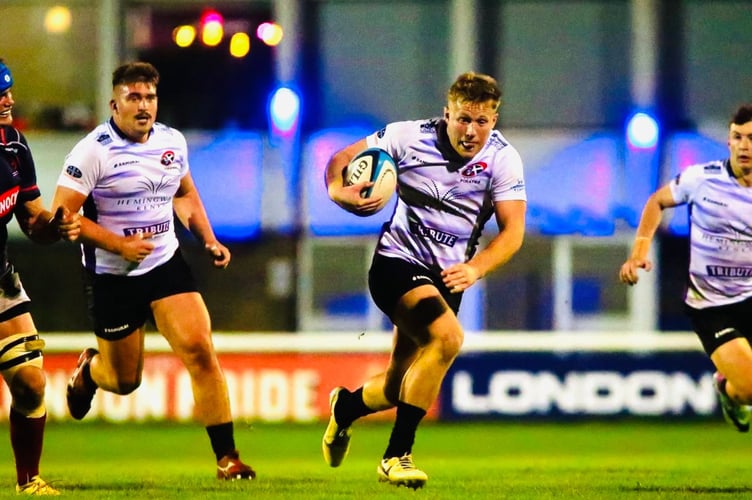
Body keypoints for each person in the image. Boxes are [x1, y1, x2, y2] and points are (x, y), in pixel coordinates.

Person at [52, 61, 255, 480]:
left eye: (150, 97)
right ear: (115, 103)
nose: (144, 106)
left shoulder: (171, 141)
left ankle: (227, 459)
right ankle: (90, 370)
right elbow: (62, 214)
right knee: (126, 382)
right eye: (134, 97)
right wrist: (119, 244)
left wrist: (209, 238)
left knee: (200, 348)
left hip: (165, 263)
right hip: (112, 276)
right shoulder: (93, 151)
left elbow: (184, 193)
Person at [322, 72, 527, 488]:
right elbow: (339, 161)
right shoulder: (404, 138)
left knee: (399, 386)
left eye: (482, 121)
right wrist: (338, 193)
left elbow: (513, 233)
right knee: (448, 339)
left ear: (494, 118)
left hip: (448, 276)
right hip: (396, 262)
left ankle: (345, 409)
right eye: (463, 119)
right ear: (446, 113)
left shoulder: (504, 160)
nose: (471, 131)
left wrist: (475, 269)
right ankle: (396, 456)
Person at [619, 103, 752, 432]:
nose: (744, 146)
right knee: (749, 390)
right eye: (737, 137)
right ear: (728, 141)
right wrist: (639, 251)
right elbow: (657, 201)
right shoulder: (701, 178)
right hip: (712, 306)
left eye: (751, 138)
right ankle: (727, 388)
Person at [0, 59, 80, 495]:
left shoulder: (14, 146)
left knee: (31, 383)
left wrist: (55, 227)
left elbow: (30, 218)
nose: (8, 100)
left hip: (1, 283)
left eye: (8, 91)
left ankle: (28, 482)